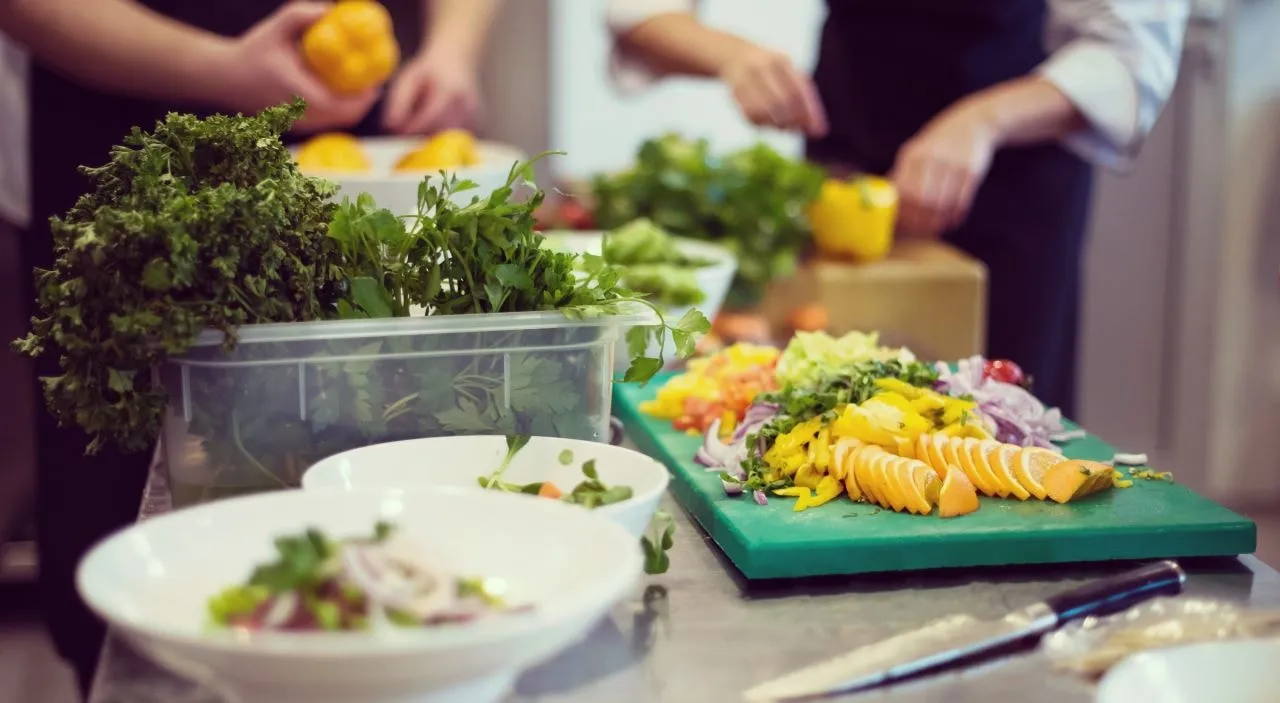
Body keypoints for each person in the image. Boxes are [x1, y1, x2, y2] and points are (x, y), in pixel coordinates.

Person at [0, 0, 502, 696]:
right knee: (131, 540)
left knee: (365, 467)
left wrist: (452, 49)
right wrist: (220, 69)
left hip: (349, 133)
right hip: (121, 132)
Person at [606, 0, 1190, 416]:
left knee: (1008, 426)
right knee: (829, 412)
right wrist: (733, 56)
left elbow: (1128, 56)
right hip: (844, 153)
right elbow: (636, 13)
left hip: (1012, 183)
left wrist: (983, 121)